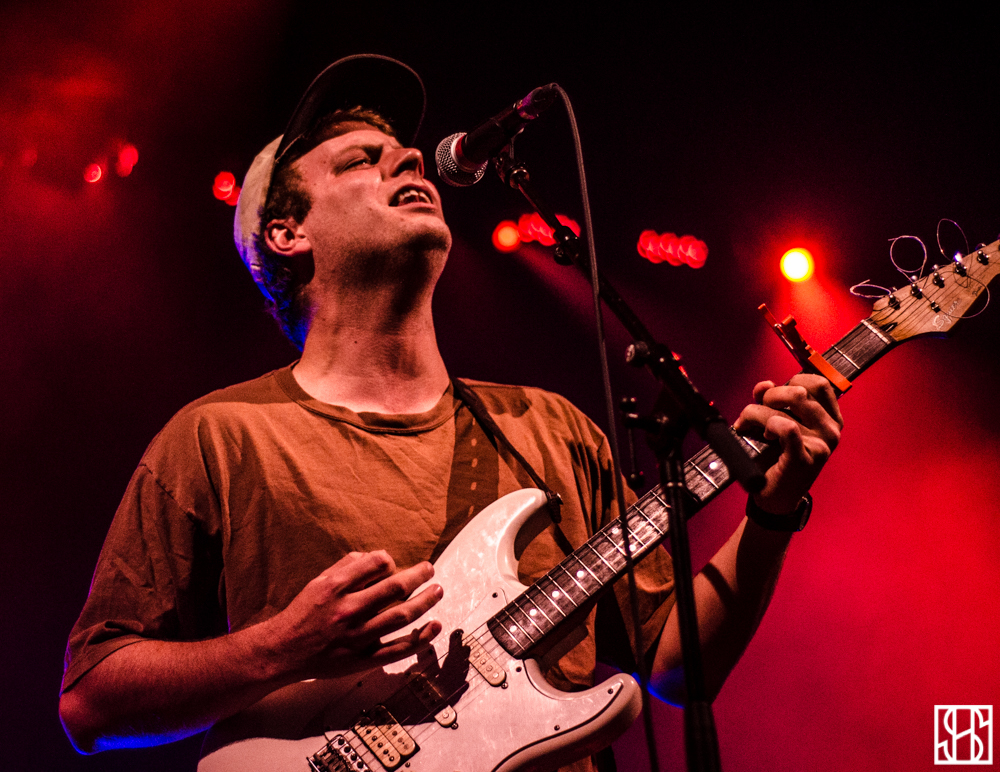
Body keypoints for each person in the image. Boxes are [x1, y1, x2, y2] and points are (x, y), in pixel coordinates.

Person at [58, 55, 843, 771]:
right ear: (286, 232)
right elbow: (90, 704)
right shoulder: (218, 437)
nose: (405, 156)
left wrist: (772, 516)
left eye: (402, 149)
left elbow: (672, 662)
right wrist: (283, 647)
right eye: (361, 159)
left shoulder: (551, 427)